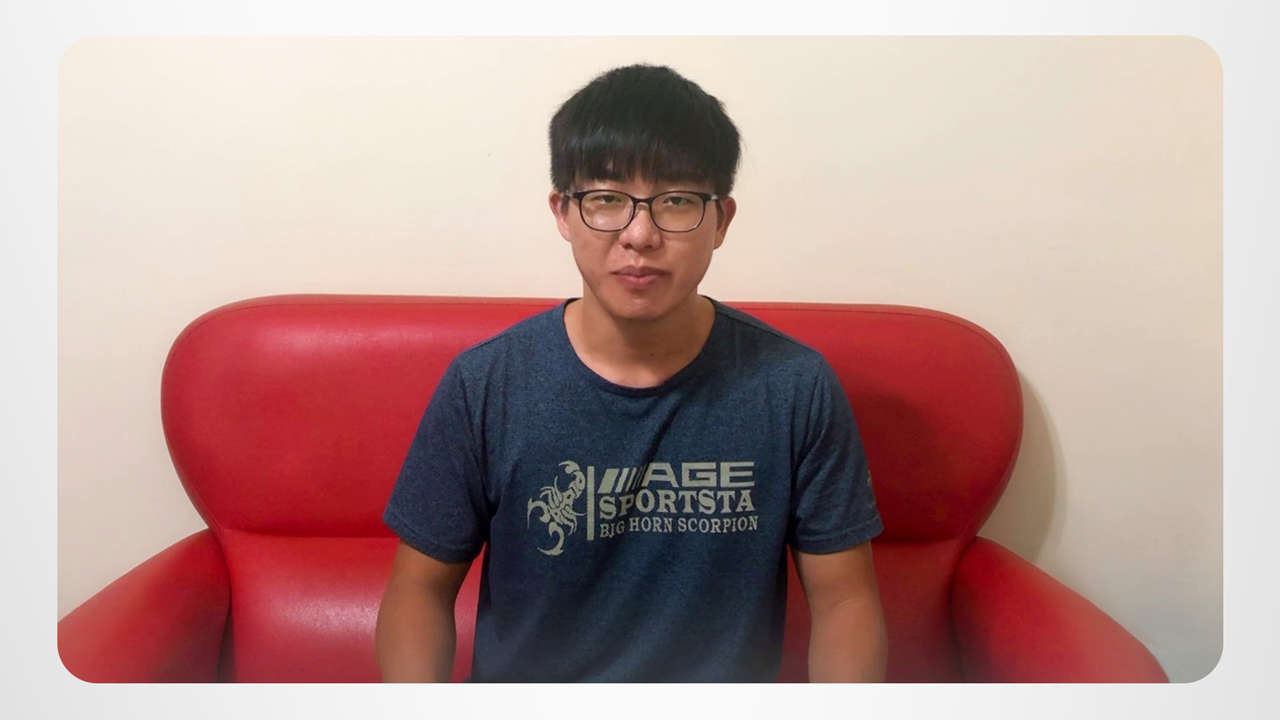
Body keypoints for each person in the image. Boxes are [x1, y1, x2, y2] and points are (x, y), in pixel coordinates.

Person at [375, 64, 886, 682]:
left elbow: (844, 602)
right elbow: (419, 591)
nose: (639, 235)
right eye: (607, 199)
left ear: (722, 220)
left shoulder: (794, 387)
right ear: (563, 212)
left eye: (677, 201)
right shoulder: (486, 385)